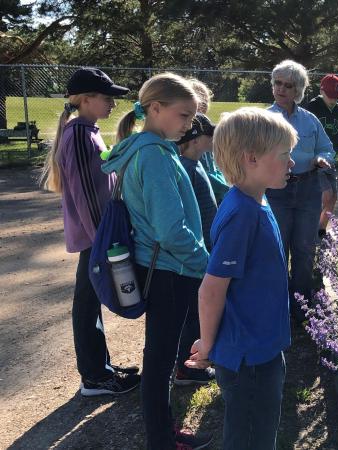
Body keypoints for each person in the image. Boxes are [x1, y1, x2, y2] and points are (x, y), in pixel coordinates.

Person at [103, 73, 211, 450]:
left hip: (163, 267)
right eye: (183, 116)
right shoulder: (153, 156)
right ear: (155, 108)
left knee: (160, 357)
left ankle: (162, 435)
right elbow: (170, 230)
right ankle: (162, 441)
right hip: (169, 270)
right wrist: (206, 262)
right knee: (161, 361)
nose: (188, 125)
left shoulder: (147, 149)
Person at [186, 107, 297, 450]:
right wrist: (207, 343)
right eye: (284, 155)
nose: (291, 163)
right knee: (251, 436)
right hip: (248, 356)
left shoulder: (256, 201)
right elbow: (211, 289)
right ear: (251, 158)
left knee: (261, 431)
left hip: (263, 346)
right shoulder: (242, 213)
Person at [39, 67, 141, 397]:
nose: (112, 103)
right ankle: (94, 376)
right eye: (107, 97)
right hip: (95, 237)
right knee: (86, 303)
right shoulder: (80, 135)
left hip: (97, 235)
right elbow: (85, 192)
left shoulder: (88, 131)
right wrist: (103, 240)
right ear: (86, 99)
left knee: (90, 301)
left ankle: (100, 367)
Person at [265, 60, 335, 323]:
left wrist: (321, 159)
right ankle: (278, 308)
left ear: (298, 90)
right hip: (276, 191)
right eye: (277, 83)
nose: (281, 89)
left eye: (288, 85)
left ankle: (302, 308)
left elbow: (327, 147)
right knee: (277, 249)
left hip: (307, 189)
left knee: (305, 249)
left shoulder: (310, 120)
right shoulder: (264, 120)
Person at [174, 113, 218, 387]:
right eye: (209, 134)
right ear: (196, 139)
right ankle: (186, 368)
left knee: (198, 310)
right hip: (196, 255)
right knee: (193, 312)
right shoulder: (186, 168)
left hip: (205, 249)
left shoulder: (195, 163)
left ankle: (192, 362)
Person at [305, 74, 338, 238]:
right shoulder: (312, 107)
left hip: (330, 158)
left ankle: (320, 229)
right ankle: (311, 228)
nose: (334, 100)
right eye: (330, 95)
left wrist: (335, 153)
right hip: (316, 159)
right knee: (326, 194)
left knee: (333, 197)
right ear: (321, 90)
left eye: (337, 97)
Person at [187, 78, 229, 202]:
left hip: (216, 194)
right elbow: (199, 172)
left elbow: (215, 167)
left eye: (205, 101)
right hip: (202, 194)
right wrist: (225, 188)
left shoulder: (207, 130)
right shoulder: (187, 137)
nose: (202, 105)